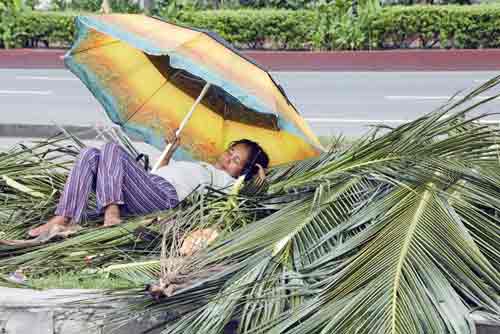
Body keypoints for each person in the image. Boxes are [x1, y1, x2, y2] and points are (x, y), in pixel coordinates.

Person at [28, 138, 269, 238]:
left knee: (111, 148)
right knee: (91, 153)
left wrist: (257, 179)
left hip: (163, 198)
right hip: (149, 185)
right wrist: (170, 152)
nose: (228, 159)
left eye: (236, 160)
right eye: (230, 152)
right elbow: (158, 173)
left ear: (244, 171)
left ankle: (112, 213)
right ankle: (62, 217)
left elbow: (246, 196)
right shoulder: (202, 165)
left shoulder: (227, 183)